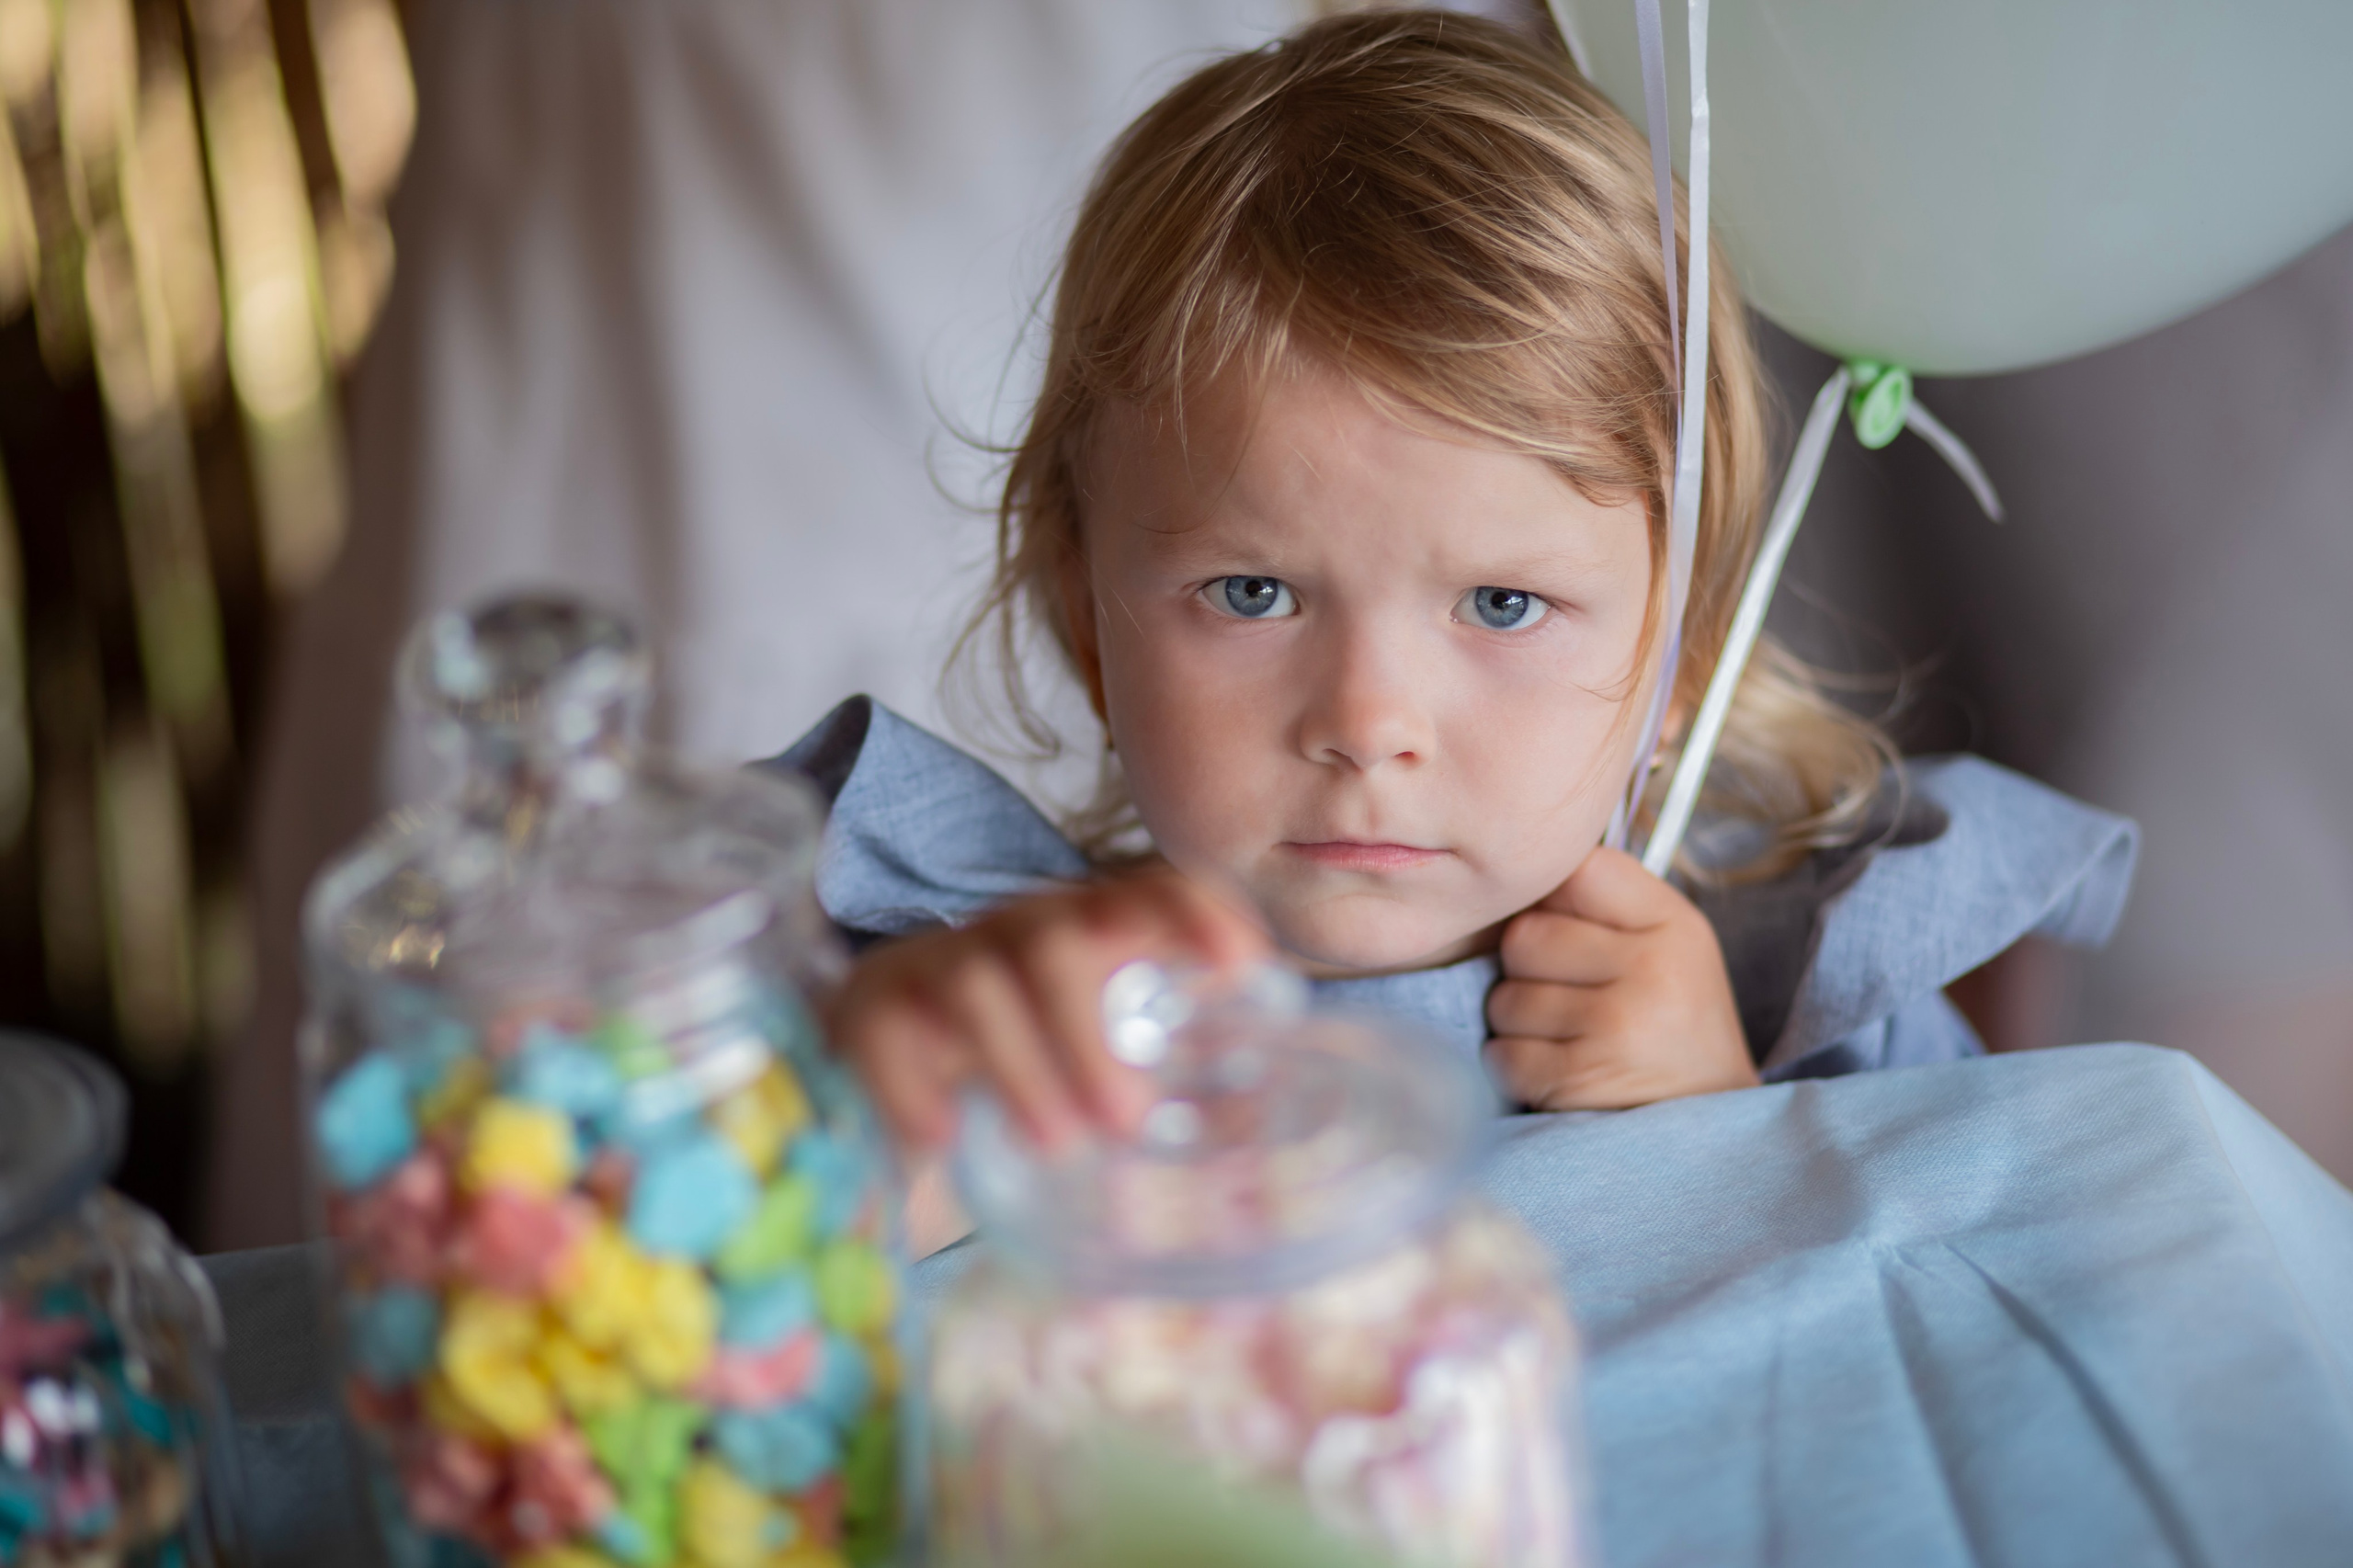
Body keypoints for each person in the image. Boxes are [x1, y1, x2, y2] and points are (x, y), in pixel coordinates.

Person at [763, 11, 2139, 1255]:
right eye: (1252, 594)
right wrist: (904, 1129)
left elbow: (1968, 1327)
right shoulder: (993, 994)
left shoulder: (1805, 1008)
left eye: (1502, 604)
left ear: (1681, 663)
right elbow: (715, 1324)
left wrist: (1725, 1116)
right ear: (1086, 611)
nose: (1367, 723)